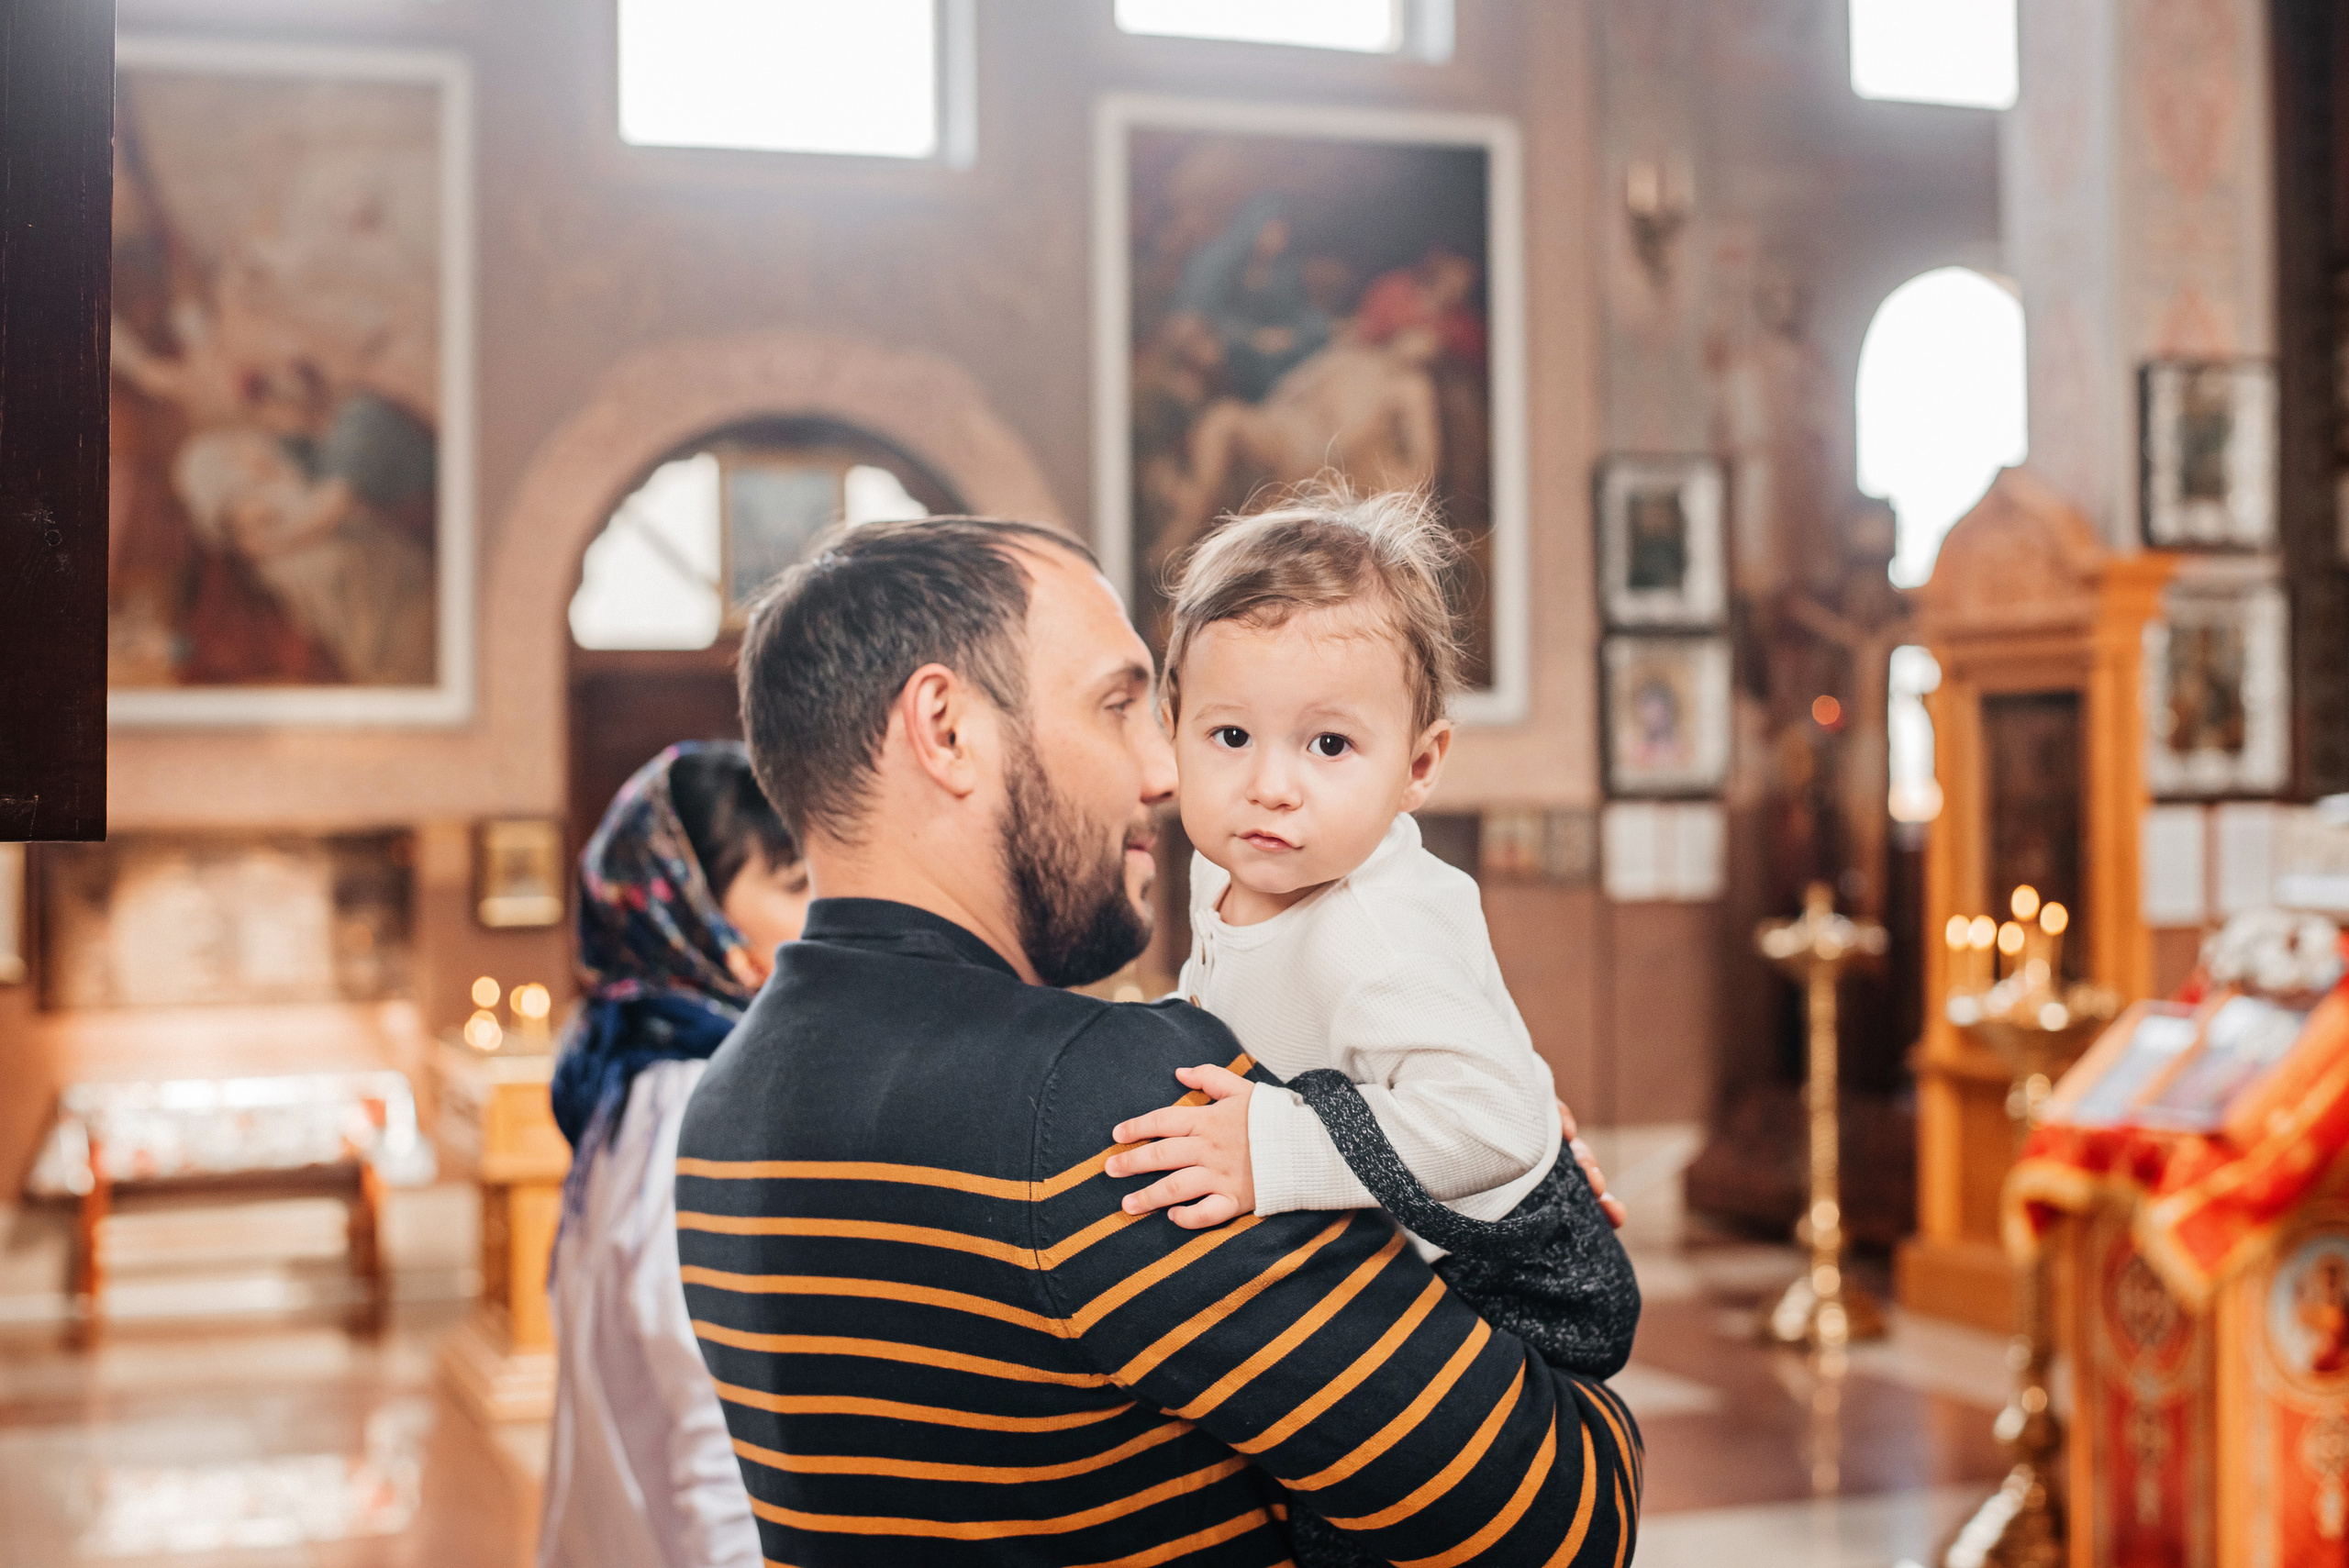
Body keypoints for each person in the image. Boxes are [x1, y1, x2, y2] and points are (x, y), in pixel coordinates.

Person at [679, 517, 1641, 1565]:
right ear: (945, 728)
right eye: (1118, 706)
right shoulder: (1116, 1105)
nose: (1160, 769)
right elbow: (1559, 1520)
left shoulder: (721, 1107)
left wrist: (1431, 1168)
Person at [539, 743, 812, 1568]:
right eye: (797, 886)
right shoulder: (696, 1102)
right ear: (697, 918)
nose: (827, 913)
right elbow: (714, 1417)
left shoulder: (632, 1079)